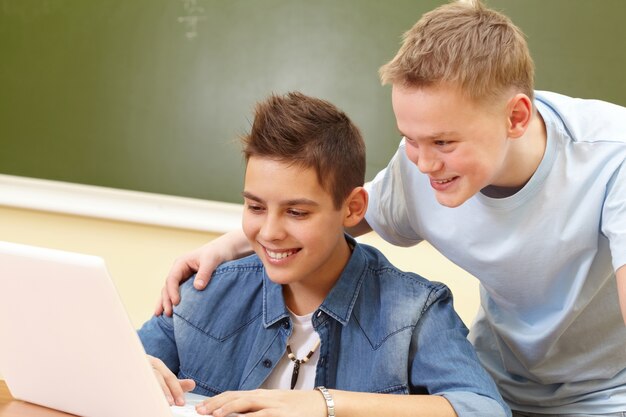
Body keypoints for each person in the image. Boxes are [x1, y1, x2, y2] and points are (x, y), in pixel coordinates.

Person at [156, 1, 626, 416]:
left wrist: (323, 403)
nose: (422, 163)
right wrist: (226, 247)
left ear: (516, 117)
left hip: (607, 396)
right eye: (410, 138)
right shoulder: (421, 167)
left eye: (443, 141)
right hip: (499, 382)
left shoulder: (612, 159)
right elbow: (331, 215)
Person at [140, 92, 509, 417]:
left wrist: (325, 405)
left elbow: (484, 409)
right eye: (255, 207)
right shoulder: (206, 292)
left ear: (352, 209)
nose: (269, 232)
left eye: (297, 212)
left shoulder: (413, 312)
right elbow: (104, 365)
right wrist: (130, 370)